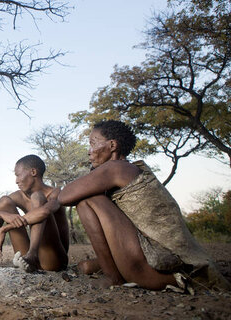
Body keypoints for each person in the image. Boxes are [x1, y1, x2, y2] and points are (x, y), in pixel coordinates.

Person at [58, 120, 229, 290]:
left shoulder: (116, 168)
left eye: (93, 143)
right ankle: (110, 270)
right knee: (86, 264)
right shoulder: (131, 169)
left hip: (151, 269)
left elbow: (65, 196)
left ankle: (113, 278)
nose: (89, 152)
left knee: (88, 200)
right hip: (172, 266)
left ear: (112, 145)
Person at [0, 155, 69, 272]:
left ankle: (32, 254)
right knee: (5, 202)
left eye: (18, 175)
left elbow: (44, 212)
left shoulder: (55, 193)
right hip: (28, 260)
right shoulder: (19, 195)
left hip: (53, 260)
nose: (16, 181)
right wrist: (3, 215)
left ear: (33, 172)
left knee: (38, 196)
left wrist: (4, 228)